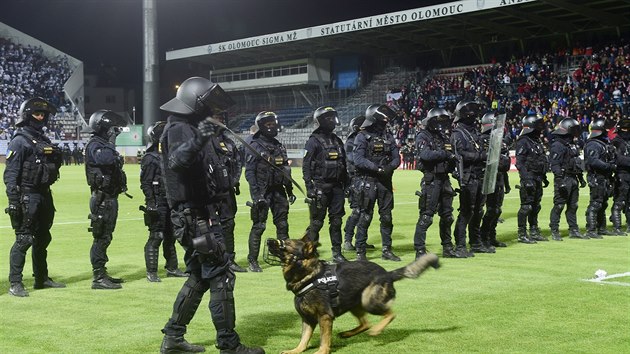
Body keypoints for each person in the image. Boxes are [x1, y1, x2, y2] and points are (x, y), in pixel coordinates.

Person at [158, 76, 264, 354]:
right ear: (195, 102)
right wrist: (201, 137)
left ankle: (173, 337)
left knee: (199, 276)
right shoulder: (179, 128)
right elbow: (178, 161)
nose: (214, 110)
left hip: (196, 216)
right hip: (196, 219)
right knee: (221, 275)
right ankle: (229, 345)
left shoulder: (189, 126)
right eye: (209, 104)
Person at [4, 97, 66, 297]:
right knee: (24, 239)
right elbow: (11, 174)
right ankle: (15, 283)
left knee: (43, 237)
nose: (40, 117)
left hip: (44, 194)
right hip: (27, 195)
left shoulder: (43, 141)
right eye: (36, 114)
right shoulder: (19, 141)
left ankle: (41, 278)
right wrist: (13, 201)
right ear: (27, 115)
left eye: (42, 114)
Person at [244, 111, 296, 272]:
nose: (272, 126)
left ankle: (284, 257)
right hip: (263, 191)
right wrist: (256, 196)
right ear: (261, 126)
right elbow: (250, 172)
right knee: (259, 226)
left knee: (282, 224)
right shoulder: (254, 145)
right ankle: (253, 260)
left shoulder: (279, 145)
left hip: (279, 191)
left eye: (273, 123)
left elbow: (285, 170)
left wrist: (289, 190)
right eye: (268, 124)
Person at [84, 109, 129, 289]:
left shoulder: (102, 143)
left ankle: (102, 273)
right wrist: (111, 142)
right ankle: (98, 277)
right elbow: (107, 159)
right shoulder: (95, 144)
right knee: (101, 237)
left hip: (110, 197)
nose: (114, 131)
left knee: (106, 236)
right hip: (102, 199)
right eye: (111, 128)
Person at [353, 103, 401, 262]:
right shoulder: (362, 136)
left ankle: (387, 249)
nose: (385, 122)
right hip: (368, 181)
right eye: (382, 119)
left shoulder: (388, 136)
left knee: (387, 217)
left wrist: (389, 168)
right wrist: (376, 168)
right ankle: (360, 252)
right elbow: (358, 160)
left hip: (385, 182)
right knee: (365, 217)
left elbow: (397, 158)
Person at [140, 121, 187, 282]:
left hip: (171, 200)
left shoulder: (170, 156)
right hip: (158, 201)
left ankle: (172, 268)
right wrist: (150, 202)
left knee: (171, 235)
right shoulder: (150, 158)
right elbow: (146, 183)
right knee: (156, 236)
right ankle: (151, 271)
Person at [303, 106, 349, 263]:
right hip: (320, 186)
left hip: (337, 188)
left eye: (332, 117)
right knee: (316, 223)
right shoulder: (313, 141)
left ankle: (337, 253)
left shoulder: (337, 140)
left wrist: (347, 185)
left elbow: (343, 164)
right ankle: (308, 253)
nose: (332, 121)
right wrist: (309, 188)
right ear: (320, 121)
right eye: (328, 118)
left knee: (336, 221)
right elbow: (306, 166)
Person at [413, 108, 459, 259]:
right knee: (426, 217)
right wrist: (446, 155)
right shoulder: (422, 136)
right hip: (431, 180)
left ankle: (447, 247)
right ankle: (420, 250)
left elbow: (452, 154)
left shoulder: (443, 137)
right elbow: (425, 155)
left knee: (447, 216)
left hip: (445, 179)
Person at [205, 112, 247, 273]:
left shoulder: (229, 142)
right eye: (217, 117)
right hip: (209, 193)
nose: (220, 121)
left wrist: (233, 182)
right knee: (208, 227)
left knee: (229, 225)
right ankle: (214, 260)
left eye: (222, 118)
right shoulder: (202, 142)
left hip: (226, 192)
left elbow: (237, 164)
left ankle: (230, 259)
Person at [451, 100, 487, 256]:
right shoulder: (458, 133)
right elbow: (459, 155)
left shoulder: (474, 132)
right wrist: (478, 156)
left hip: (479, 175)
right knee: (466, 211)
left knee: (478, 211)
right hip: (467, 176)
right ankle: (460, 245)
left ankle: (476, 242)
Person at [548, 117, 588, 240]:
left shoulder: (572, 145)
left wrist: (580, 177)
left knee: (573, 206)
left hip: (573, 177)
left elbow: (576, 162)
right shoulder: (558, 145)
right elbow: (555, 164)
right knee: (559, 205)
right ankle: (554, 230)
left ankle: (573, 230)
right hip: (564, 177)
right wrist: (560, 181)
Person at [515, 114, 550, 243]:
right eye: (539, 125)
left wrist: (544, 176)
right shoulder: (523, 141)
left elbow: (540, 160)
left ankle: (534, 230)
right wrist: (525, 179)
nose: (541, 128)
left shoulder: (536, 141)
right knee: (526, 206)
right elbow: (520, 162)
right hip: (529, 177)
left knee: (536, 206)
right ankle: (522, 233)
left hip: (538, 177)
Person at [479, 112, 511, 249]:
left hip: (499, 178)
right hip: (488, 178)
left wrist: (506, 183)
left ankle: (491, 237)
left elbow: (503, 164)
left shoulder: (500, 141)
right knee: (490, 210)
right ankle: (483, 237)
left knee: (496, 210)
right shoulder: (482, 140)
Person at [342, 115, 374, 251]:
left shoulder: (366, 139)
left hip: (366, 178)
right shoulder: (351, 141)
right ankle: (347, 240)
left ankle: (361, 239)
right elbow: (352, 159)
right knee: (357, 211)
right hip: (354, 179)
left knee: (367, 212)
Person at [584, 118, 616, 239]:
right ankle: (591, 229)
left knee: (603, 203)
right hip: (597, 176)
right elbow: (593, 161)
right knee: (596, 203)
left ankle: (601, 228)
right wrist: (609, 166)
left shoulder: (602, 144)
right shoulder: (593, 144)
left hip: (604, 177)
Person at [610, 117, 630, 235]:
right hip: (621, 174)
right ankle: (617, 227)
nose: (626, 130)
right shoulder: (616, 142)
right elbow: (618, 159)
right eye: (624, 128)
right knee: (620, 201)